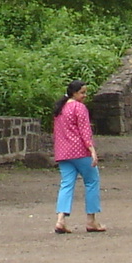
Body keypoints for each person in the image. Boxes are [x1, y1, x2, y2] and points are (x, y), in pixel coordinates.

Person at [52, 79, 105, 233]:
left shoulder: (60, 109)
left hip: (63, 152)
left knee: (66, 184)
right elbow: (84, 131)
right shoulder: (79, 107)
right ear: (74, 93)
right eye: (82, 92)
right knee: (92, 181)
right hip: (80, 151)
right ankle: (91, 220)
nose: (85, 95)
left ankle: (60, 219)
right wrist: (92, 150)